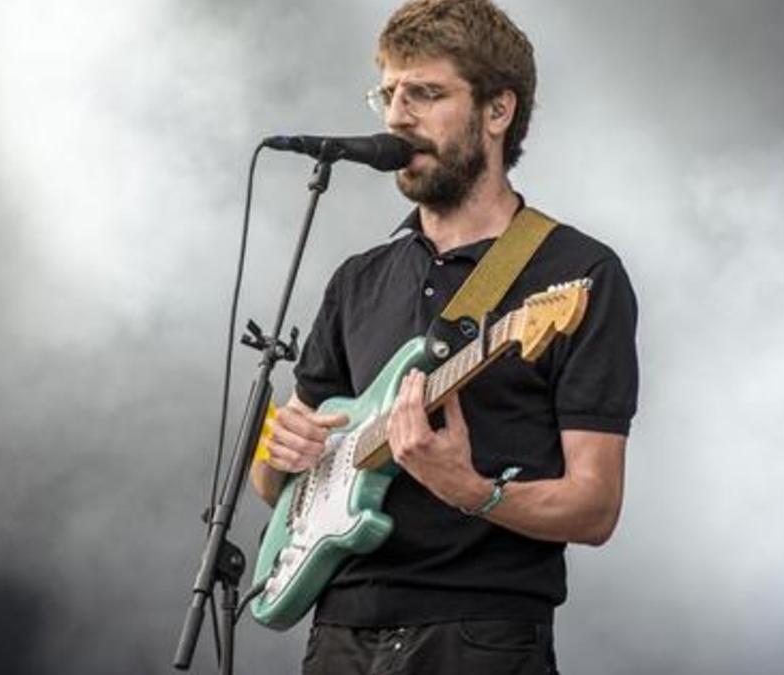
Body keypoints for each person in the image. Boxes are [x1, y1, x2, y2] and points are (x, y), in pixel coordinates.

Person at [250, 1, 639, 672]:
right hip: (337, 628)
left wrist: (469, 487)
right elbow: (272, 480)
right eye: (390, 94)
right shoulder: (357, 278)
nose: (398, 116)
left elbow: (596, 505)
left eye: (426, 93)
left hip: (478, 632)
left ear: (498, 111)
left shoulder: (577, 273)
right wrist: (278, 448)